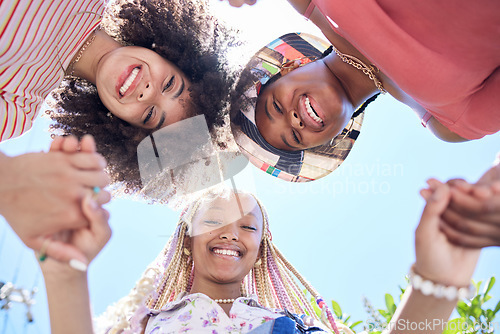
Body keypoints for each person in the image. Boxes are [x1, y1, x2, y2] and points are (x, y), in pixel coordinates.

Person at [38, 185, 485, 334]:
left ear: (260, 252)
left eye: (248, 226)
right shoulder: (146, 324)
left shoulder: (292, 325)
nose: (232, 231)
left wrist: (437, 280)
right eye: (215, 218)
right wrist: (64, 273)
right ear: (185, 239)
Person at [0, 0, 237, 264]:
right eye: (170, 83)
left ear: (121, 126)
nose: (148, 93)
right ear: (169, 51)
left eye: (149, 115)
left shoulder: (18, 107)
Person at [227, 0, 499, 153]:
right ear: (335, 138)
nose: (294, 121)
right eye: (295, 138)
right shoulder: (450, 125)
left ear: (287, 69)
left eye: (276, 106)